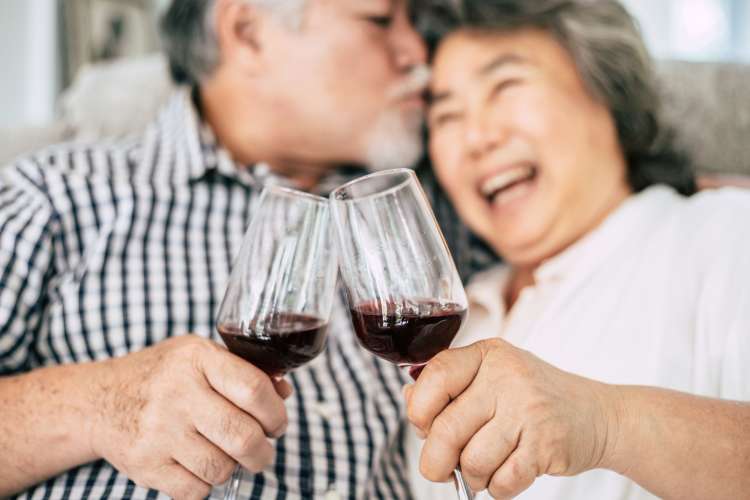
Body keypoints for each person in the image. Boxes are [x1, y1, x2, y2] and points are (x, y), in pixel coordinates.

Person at [0, 1, 454, 498]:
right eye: (381, 20)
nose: (419, 53)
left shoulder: (437, 207)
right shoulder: (52, 196)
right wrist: (95, 404)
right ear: (248, 32)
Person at [404, 0, 750, 499]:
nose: (476, 138)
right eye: (447, 115)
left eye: (506, 87)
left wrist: (609, 425)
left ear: (607, 90)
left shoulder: (724, 239)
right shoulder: (451, 318)